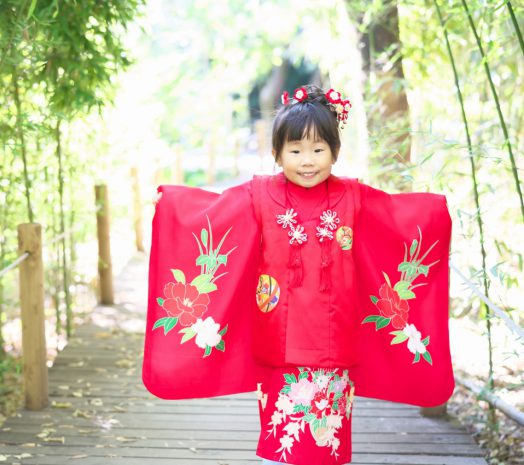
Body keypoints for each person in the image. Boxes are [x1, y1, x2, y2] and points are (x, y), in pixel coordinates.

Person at [142, 84, 454, 465]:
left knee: (328, 438)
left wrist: (435, 211)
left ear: (335, 153)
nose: (307, 161)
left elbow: (396, 218)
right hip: (279, 336)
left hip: (334, 335)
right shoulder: (259, 195)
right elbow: (214, 211)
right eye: (295, 150)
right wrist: (172, 202)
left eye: (318, 149)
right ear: (276, 153)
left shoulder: (353, 197)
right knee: (282, 434)